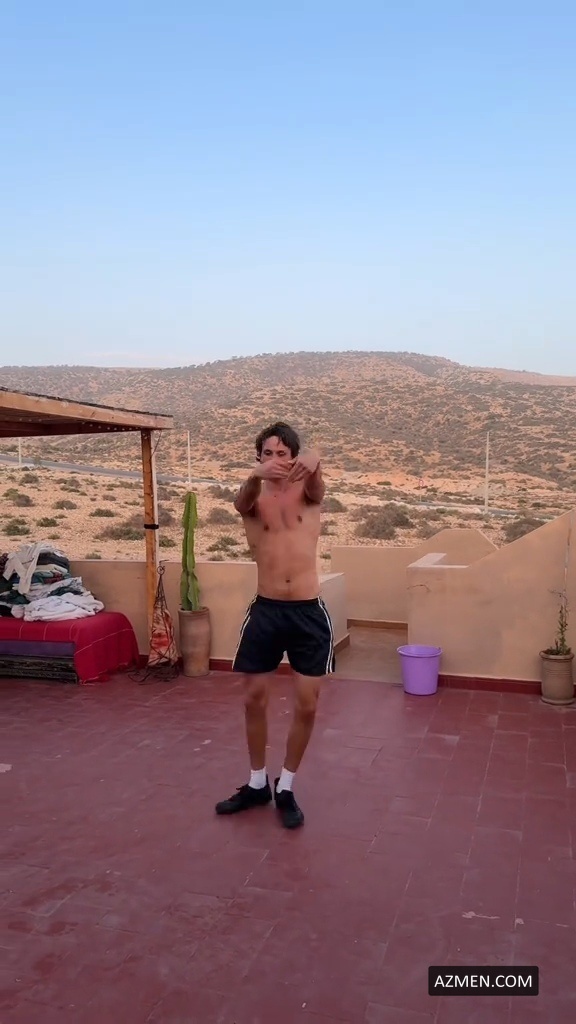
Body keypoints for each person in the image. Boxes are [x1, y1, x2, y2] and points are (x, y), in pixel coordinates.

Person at [215, 421, 334, 828]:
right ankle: (256, 784)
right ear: (258, 458)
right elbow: (240, 502)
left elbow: (317, 485)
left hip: (308, 612)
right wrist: (255, 476)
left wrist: (314, 459)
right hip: (266, 610)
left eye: (283, 453)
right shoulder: (253, 497)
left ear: (293, 457)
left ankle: (286, 786)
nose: (275, 460)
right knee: (253, 698)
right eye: (268, 453)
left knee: (308, 703)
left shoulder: (309, 492)